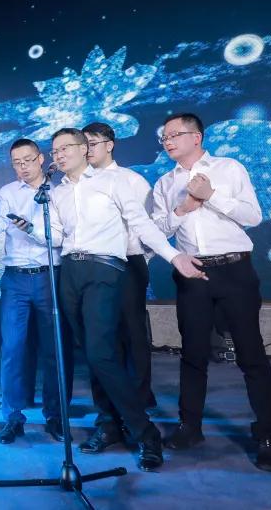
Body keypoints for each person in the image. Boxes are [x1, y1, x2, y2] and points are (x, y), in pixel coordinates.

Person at [35, 127, 207, 471]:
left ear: (84, 149)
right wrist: (32, 224)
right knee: (94, 355)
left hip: (105, 269)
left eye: (65, 148)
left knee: (101, 352)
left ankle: (145, 433)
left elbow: (142, 225)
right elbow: (53, 234)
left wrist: (173, 256)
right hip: (70, 271)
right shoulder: (57, 192)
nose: (58, 154)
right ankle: (109, 425)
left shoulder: (114, 182)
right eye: (54, 150)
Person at [152, 113, 271, 472]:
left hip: (233, 269)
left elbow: (253, 216)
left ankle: (268, 435)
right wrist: (184, 207)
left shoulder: (229, 168)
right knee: (193, 354)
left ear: (196, 137)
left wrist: (210, 196)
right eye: (164, 137)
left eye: (174, 135)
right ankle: (189, 427)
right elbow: (159, 229)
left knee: (251, 354)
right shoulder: (165, 183)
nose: (167, 141)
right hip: (192, 273)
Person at [0, 139, 66, 444]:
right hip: (14, 278)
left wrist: (30, 229)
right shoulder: (8, 192)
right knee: (12, 348)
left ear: (40, 158)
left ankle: (55, 416)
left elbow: (59, 238)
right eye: (17, 162)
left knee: (53, 349)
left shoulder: (58, 192)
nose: (23, 167)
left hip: (49, 275)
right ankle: (12, 417)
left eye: (28, 160)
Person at [79, 121, 157, 454]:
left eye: (92, 143)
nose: (87, 150)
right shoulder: (78, 184)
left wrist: (138, 263)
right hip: (91, 269)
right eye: (82, 144)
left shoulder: (131, 180)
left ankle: (136, 419)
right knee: (99, 346)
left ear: (109, 144)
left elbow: (149, 228)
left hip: (127, 264)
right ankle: (107, 421)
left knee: (132, 343)